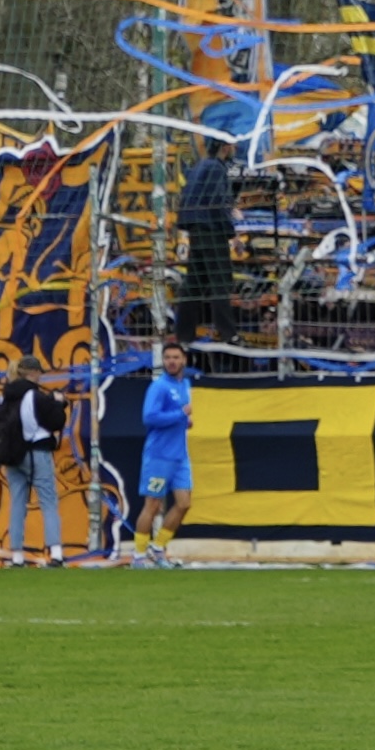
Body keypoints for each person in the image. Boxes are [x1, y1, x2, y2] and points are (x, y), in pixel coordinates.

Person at [0, 358, 73, 564]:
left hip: (12, 455)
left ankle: (16, 556)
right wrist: (58, 403)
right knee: (48, 501)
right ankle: (56, 553)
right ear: (32, 372)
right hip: (36, 452)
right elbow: (55, 422)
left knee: (17, 504)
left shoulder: (7, 396)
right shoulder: (34, 396)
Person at [133, 337, 197, 562]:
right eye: (168, 358)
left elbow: (180, 415)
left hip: (180, 456)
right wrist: (181, 414)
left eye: (175, 357)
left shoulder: (185, 385)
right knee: (152, 504)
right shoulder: (159, 386)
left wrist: (185, 421)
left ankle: (158, 547)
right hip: (159, 455)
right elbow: (149, 417)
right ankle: (139, 555)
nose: (171, 361)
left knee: (184, 503)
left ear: (184, 360)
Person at [179, 143, 237, 344]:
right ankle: (229, 334)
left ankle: (184, 335)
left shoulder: (200, 166)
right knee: (220, 282)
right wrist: (230, 231)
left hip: (196, 229)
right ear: (225, 147)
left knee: (194, 284)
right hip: (212, 229)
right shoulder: (216, 168)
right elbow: (217, 202)